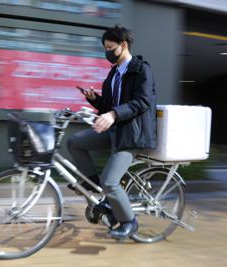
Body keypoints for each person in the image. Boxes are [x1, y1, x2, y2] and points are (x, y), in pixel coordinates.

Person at [67, 25, 157, 239]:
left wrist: (113, 115)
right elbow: (108, 105)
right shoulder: (114, 74)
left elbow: (143, 102)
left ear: (123, 45)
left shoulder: (141, 69)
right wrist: (94, 99)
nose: (107, 52)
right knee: (75, 142)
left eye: (110, 47)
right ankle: (97, 188)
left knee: (111, 181)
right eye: (105, 48)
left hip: (132, 135)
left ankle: (129, 222)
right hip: (114, 130)